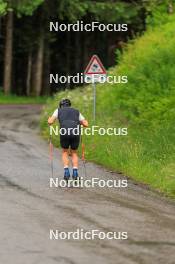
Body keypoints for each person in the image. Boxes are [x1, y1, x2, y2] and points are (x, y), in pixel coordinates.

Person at [48, 98, 88, 181]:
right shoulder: (76, 111)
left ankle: (66, 172)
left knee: (65, 151)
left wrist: (49, 121)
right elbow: (86, 124)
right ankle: (75, 172)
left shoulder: (58, 110)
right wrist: (80, 122)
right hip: (75, 132)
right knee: (74, 152)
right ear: (70, 105)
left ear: (61, 105)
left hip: (64, 132)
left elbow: (51, 121)